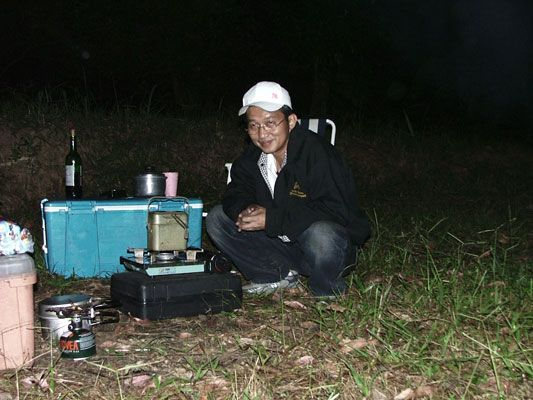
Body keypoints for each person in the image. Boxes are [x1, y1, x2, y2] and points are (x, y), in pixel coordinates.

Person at [206, 81, 370, 298]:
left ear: (291, 121)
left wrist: (272, 219)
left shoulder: (318, 155)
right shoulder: (251, 158)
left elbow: (336, 210)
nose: (262, 134)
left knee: (323, 233)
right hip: (281, 247)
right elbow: (235, 192)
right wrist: (247, 208)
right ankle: (274, 276)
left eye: (270, 122)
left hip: (324, 251)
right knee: (218, 218)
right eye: (253, 125)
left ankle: (327, 290)